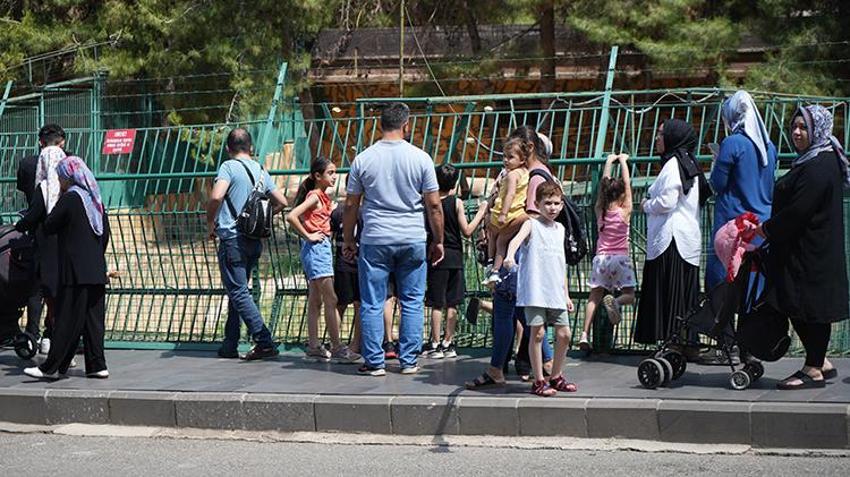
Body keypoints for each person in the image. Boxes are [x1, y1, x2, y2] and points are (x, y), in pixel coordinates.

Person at [343, 102, 444, 376]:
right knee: (412, 300)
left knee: (373, 301)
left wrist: (348, 238)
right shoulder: (421, 158)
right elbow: (434, 205)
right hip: (412, 236)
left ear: (380, 124)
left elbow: (351, 204)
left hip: (375, 237)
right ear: (406, 125)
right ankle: (409, 360)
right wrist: (437, 240)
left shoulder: (363, 159)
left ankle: (374, 362)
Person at [756, 105, 848, 390]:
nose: (796, 132)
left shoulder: (819, 165)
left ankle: (813, 369)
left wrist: (766, 229)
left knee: (809, 308)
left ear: (817, 131)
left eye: (803, 127)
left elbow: (799, 210)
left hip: (810, 253)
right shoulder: (814, 159)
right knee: (793, 302)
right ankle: (820, 361)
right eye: (794, 126)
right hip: (802, 251)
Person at [23, 157, 110, 379]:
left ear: (68, 177)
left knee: (66, 320)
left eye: (61, 177)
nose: (60, 181)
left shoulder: (71, 198)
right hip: (96, 270)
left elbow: (50, 224)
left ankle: (49, 368)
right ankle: (97, 365)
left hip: (75, 271)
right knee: (93, 322)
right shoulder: (95, 200)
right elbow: (104, 234)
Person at [206, 128, 288, 360]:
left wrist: (210, 221)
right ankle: (230, 344)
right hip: (253, 240)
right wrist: (261, 219)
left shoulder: (228, 167)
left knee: (238, 292)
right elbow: (282, 201)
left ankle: (264, 341)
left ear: (228, 148)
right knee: (238, 290)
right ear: (251, 147)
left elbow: (216, 196)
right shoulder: (260, 170)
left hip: (232, 238)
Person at [504, 182, 577, 396]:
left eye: (556, 203)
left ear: (561, 205)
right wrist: (509, 256)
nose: (552, 207)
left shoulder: (560, 229)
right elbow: (515, 241)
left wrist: (566, 294)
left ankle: (556, 376)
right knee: (537, 334)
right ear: (537, 204)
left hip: (555, 291)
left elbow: (560, 264)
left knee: (564, 334)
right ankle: (538, 380)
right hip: (535, 291)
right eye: (548, 203)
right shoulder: (531, 224)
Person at [635, 119, 702, 347]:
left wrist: (646, 205)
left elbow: (667, 201)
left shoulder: (674, 164)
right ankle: (683, 342)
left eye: (661, 134)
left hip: (671, 240)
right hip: (685, 239)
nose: (657, 138)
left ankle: (671, 343)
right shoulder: (688, 162)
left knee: (669, 292)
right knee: (682, 295)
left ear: (673, 137)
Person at [287, 158, 361, 363]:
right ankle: (337, 346)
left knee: (315, 300)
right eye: (330, 173)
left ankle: (313, 346)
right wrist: (308, 235)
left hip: (320, 248)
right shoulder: (314, 197)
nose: (334, 177)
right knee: (332, 299)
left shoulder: (322, 197)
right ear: (317, 176)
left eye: (334, 172)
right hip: (317, 250)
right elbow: (292, 216)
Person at [707, 90, 777, 290]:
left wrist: (717, 162)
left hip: (734, 225)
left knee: (726, 286)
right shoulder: (770, 147)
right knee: (756, 282)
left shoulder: (732, 143)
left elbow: (718, 184)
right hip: (762, 223)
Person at [421, 164, 488, 359]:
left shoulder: (429, 202)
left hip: (436, 254)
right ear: (454, 183)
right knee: (452, 303)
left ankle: (434, 343)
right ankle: (448, 342)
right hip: (455, 256)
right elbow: (467, 231)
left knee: (436, 303)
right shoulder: (456, 202)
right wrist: (481, 212)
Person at [15, 124, 66, 354]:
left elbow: (26, 194)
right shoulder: (69, 162)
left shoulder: (28, 164)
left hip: (38, 231)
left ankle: (32, 334)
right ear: (62, 142)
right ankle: (52, 334)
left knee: (36, 285)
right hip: (64, 235)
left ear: (40, 143)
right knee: (59, 288)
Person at [578, 153, 636, 350]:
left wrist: (608, 162)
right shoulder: (625, 211)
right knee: (629, 295)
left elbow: (603, 189)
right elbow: (627, 186)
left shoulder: (600, 210)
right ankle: (616, 302)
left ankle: (584, 334)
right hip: (620, 259)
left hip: (601, 259)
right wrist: (623, 162)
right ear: (621, 195)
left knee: (594, 297)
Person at [483, 138, 529, 285]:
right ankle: (494, 269)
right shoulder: (526, 173)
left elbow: (510, 194)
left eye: (511, 157)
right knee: (500, 240)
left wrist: (503, 213)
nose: (506, 160)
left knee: (498, 239)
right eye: (504, 156)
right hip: (517, 211)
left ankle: (492, 266)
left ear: (522, 159)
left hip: (508, 213)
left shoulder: (512, 175)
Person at [330, 197, 362, 354]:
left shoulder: (338, 211)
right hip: (361, 262)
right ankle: (356, 344)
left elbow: (330, 234)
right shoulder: (366, 210)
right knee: (359, 305)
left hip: (342, 262)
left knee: (340, 305)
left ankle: (335, 343)